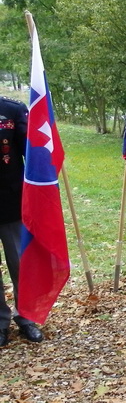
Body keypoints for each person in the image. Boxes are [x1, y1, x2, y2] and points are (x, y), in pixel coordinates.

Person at [0, 96, 44, 346]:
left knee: (20, 263)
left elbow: (33, 151)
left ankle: (26, 316)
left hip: (10, 202)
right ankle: (0, 321)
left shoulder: (11, 110)